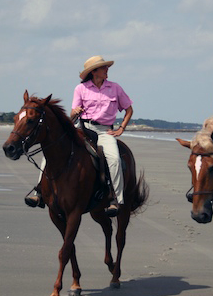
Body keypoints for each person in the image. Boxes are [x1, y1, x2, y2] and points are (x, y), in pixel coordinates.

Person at [25, 55, 134, 217]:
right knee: (50, 151)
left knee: (114, 159)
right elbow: (73, 113)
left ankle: (116, 199)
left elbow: (129, 109)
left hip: (104, 131)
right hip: (82, 127)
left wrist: (121, 128)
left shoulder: (115, 88)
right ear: (94, 71)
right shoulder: (81, 89)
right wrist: (74, 112)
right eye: (104, 67)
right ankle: (40, 191)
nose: (107, 70)